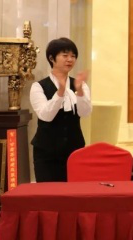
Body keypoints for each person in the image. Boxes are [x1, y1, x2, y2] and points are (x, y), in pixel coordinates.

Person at [30, 37, 91, 182]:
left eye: (73, 56)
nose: (70, 59)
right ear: (52, 58)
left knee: (74, 192)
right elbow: (45, 115)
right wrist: (60, 92)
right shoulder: (38, 87)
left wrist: (80, 92)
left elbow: (85, 112)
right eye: (65, 55)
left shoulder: (79, 85)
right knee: (48, 192)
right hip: (47, 153)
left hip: (75, 151)